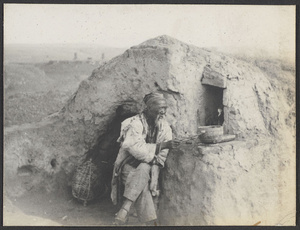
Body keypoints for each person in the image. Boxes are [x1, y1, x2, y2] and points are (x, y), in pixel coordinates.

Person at [111, 92, 180, 225]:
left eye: (164, 109)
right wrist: (163, 145)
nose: (162, 113)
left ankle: (124, 209)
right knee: (143, 174)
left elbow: (162, 156)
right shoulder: (133, 123)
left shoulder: (164, 127)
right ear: (148, 109)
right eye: (159, 109)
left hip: (146, 169)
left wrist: (155, 163)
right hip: (128, 166)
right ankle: (151, 222)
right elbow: (136, 148)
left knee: (144, 168)